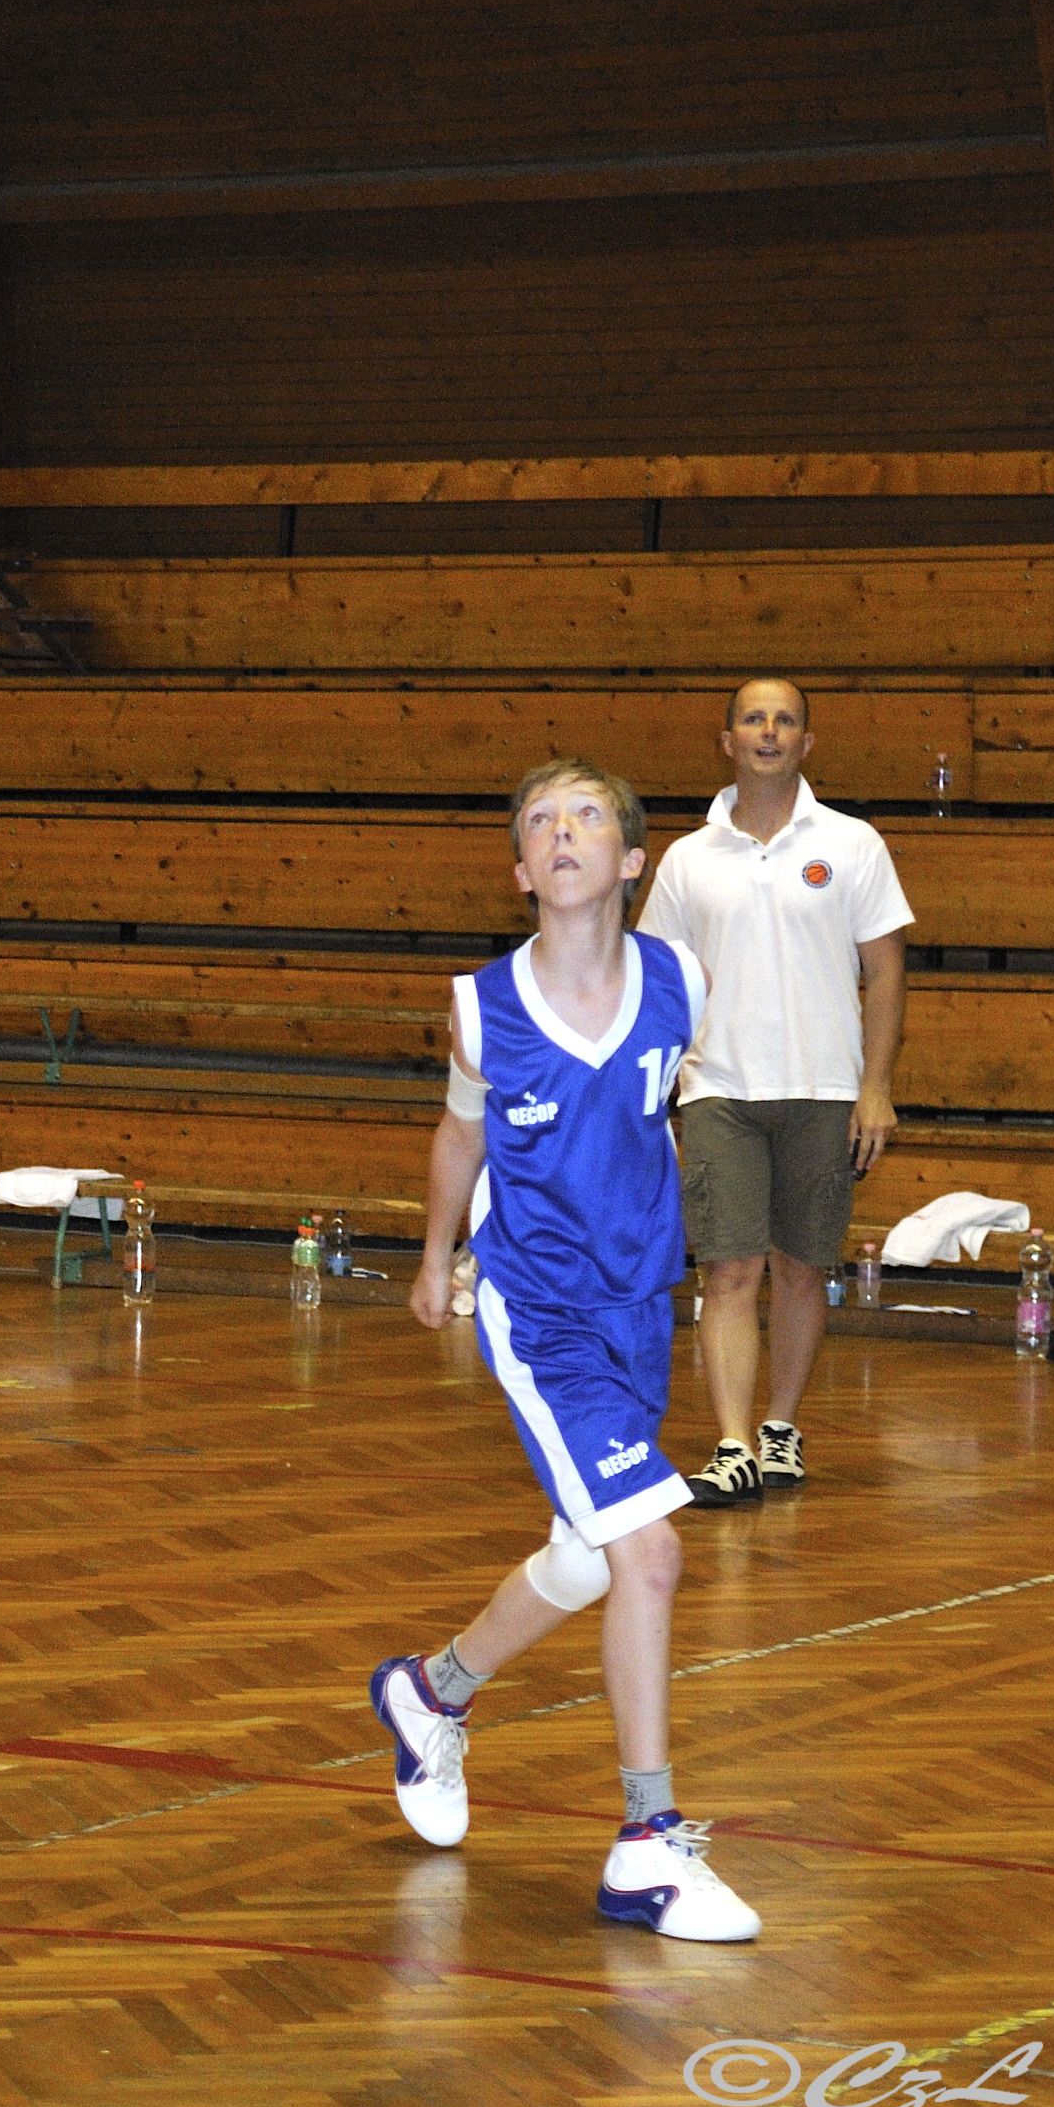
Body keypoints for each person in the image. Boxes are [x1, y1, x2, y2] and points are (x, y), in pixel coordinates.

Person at [370, 759, 757, 1942]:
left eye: (587, 814)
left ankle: (429, 1690)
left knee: (587, 1560)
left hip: (637, 1305)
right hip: (536, 1314)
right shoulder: (482, 1004)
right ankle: (648, 1840)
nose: (562, 831)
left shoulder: (681, 977)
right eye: (538, 820)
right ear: (521, 870)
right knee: (649, 1553)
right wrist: (435, 1255)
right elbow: (459, 1131)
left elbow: (660, 1118)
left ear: (631, 859)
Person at [637, 679, 914, 1503]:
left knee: (799, 1268)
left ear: (806, 741)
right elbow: (658, 983)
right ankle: (732, 1445)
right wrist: (653, 1093)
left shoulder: (853, 843)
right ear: (727, 740)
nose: (769, 731)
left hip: (826, 1089)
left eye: (785, 719)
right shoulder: (687, 859)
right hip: (717, 1089)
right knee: (728, 1270)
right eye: (753, 719)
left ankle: (780, 1428)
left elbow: (886, 971)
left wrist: (875, 1087)